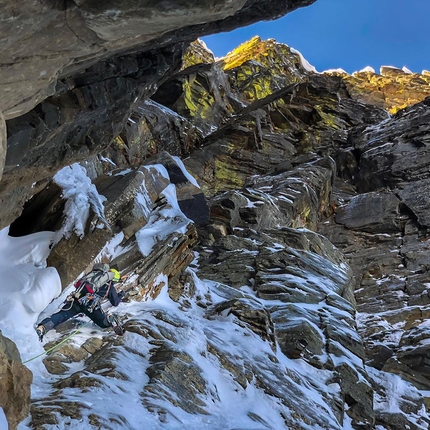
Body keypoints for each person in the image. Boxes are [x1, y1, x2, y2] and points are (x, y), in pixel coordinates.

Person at [36, 263, 125, 341]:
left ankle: (43, 327)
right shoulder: (109, 286)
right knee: (103, 323)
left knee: (61, 315)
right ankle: (109, 320)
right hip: (92, 307)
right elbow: (115, 302)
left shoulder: (91, 277)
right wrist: (121, 294)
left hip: (78, 300)